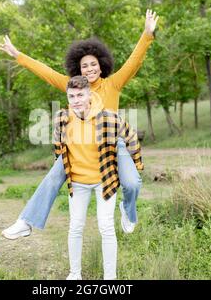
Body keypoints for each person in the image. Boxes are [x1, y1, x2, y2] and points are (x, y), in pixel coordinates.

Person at [0, 10, 158, 239]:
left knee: (132, 183)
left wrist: (146, 34)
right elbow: (46, 72)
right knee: (53, 177)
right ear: (78, 69)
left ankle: (128, 211)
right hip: (78, 146)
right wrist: (18, 55)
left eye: (93, 64)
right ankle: (26, 222)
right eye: (85, 66)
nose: (90, 69)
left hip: (111, 145)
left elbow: (134, 61)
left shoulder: (113, 84)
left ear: (101, 66)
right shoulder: (73, 86)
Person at [55, 76, 143, 280]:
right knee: (75, 226)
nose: (76, 100)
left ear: (89, 95)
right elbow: (58, 147)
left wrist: (134, 166)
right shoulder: (62, 118)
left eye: (80, 95)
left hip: (105, 180)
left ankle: (109, 278)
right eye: (71, 96)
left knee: (106, 227)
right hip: (77, 183)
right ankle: (74, 274)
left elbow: (131, 137)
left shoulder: (108, 117)